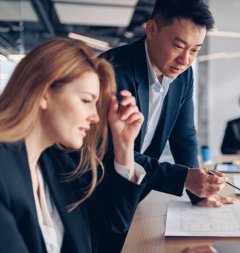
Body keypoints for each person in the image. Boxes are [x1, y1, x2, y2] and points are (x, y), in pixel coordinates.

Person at [0, 38, 145, 253]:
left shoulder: (56, 164)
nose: (95, 117)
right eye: (86, 101)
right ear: (45, 92)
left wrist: (124, 146)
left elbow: (111, 227)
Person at [100, 0, 233, 209]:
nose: (185, 60)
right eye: (178, 46)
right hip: (99, 192)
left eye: (194, 50)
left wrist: (200, 194)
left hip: (137, 195)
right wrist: (183, 178)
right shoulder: (111, 71)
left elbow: (184, 136)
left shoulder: (184, 75)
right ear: (152, 30)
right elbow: (108, 151)